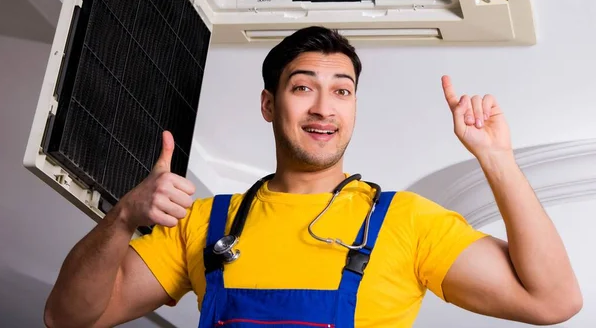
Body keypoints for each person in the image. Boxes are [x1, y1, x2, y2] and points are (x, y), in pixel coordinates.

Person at [44, 26, 582, 328]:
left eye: (342, 90)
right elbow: (67, 319)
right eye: (303, 87)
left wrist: (497, 159)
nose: (325, 107)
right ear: (268, 104)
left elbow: (553, 301)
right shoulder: (205, 223)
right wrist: (121, 218)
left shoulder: (407, 222)